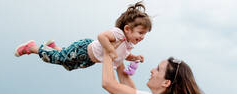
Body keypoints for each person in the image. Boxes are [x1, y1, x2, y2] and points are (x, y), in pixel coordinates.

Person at [14, 2, 150, 72]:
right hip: (84, 50)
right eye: (140, 33)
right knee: (58, 59)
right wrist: (110, 50)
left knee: (67, 65)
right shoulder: (118, 34)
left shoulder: (128, 44)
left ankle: (54, 47)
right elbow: (101, 36)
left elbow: (123, 55)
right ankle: (32, 47)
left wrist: (135, 57)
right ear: (127, 29)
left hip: (89, 59)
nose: (143, 37)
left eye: (145, 34)